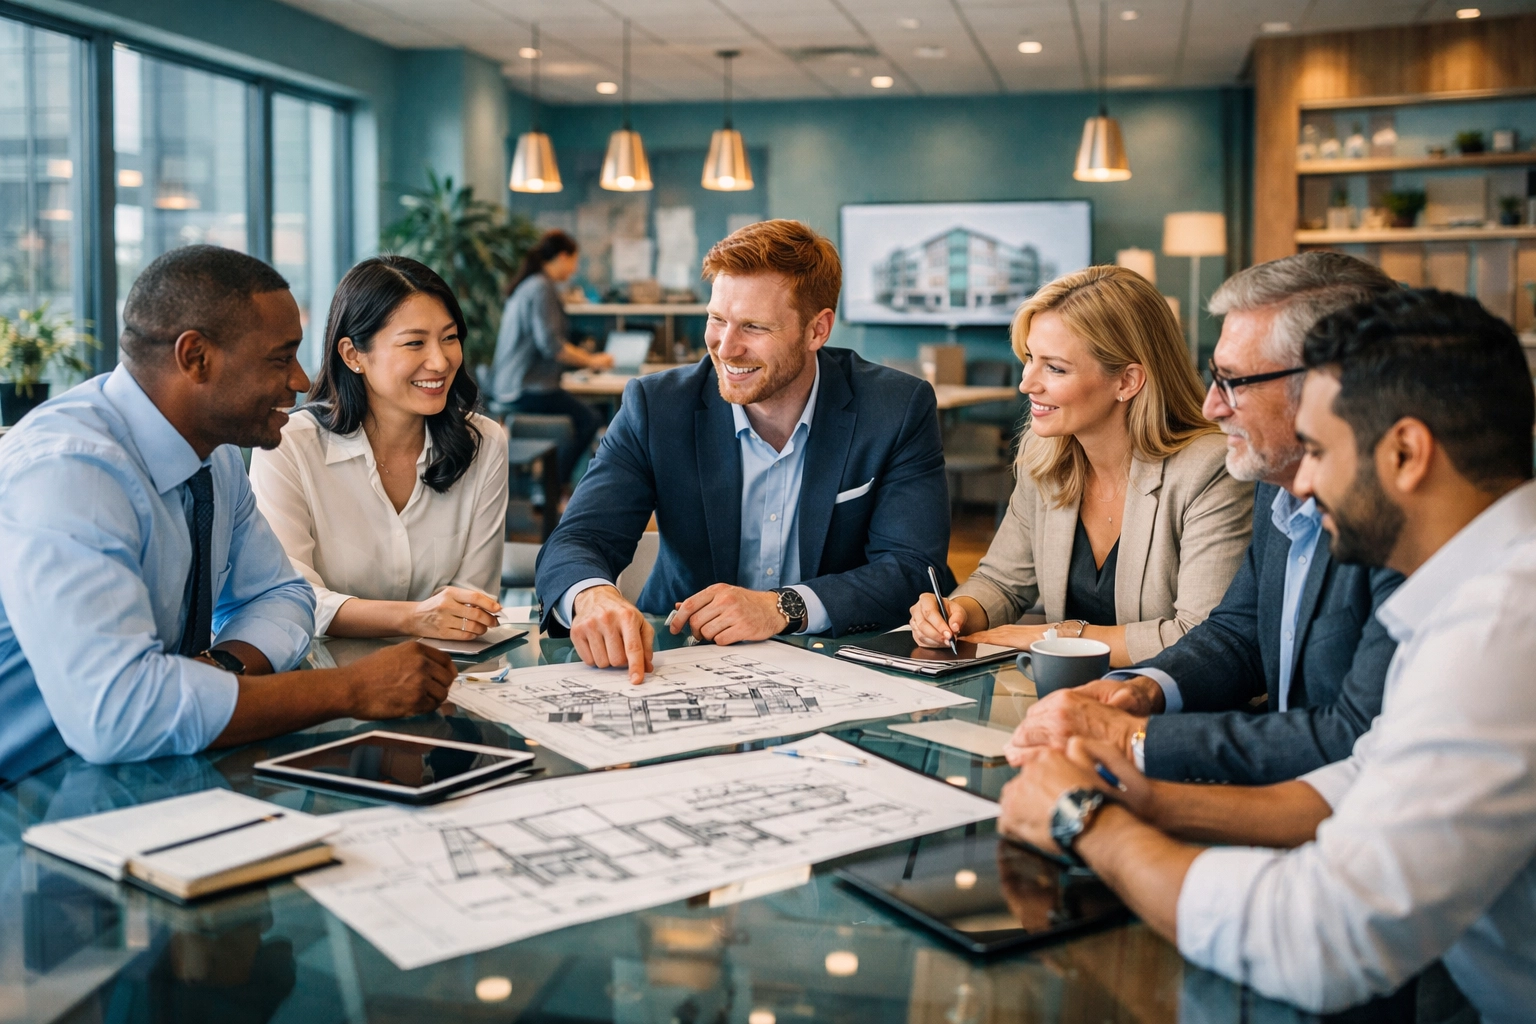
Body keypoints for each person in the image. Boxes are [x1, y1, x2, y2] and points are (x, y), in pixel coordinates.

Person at [997, 288, 1536, 1020]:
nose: (1304, 486)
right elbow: (1367, 774)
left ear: (1407, 453)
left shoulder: (1503, 629)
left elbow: (1318, 941)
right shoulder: (1481, 586)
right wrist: (1148, 795)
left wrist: (1086, 818)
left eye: (1317, 451)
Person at [0, 245, 456, 782]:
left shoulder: (213, 454)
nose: (302, 380)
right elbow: (118, 713)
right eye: (279, 358)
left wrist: (223, 670)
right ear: (196, 358)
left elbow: (283, 595)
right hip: (31, 788)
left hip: (150, 769)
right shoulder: (72, 471)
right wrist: (349, 689)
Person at [1008, 252, 1404, 784]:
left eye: (1234, 382)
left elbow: (1353, 737)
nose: (1213, 407)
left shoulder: (1403, 525)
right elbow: (1239, 634)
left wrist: (1132, 742)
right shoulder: (1274, 485)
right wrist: (1141, 691)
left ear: (1330, 385)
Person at [535, 219, 952, 683]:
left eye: (753, 326)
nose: (726, 347)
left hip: (835, 669)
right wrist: (592, 595)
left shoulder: (894, 408)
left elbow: (914, 570)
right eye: (717, 319)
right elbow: (578, 538)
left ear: (818, 330)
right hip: (678, 664)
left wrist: (780, 607)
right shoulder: (658, 407)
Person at [910, 265, 1251, 669]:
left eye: (1054, 368)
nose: (1027, 383)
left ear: (1127, 381)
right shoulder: (1045, 454)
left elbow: (1198, 636)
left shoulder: (1211, 471)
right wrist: (958, 612)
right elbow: (1001, 582)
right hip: (1068, 703)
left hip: (1172, 709)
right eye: (1030, 358)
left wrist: (1051, 636)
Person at [250, 257, 508, 640]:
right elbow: (288, 597)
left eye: (450, 338)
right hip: (319, 677)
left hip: (441, 673)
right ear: (354, 355)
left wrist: (437, 619)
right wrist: (414, 617)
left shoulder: (483, 443)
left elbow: (473, 602)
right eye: (415, 343)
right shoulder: (289, 444)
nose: (440, 361)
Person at [491, 230, 613, 487]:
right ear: (562, 257)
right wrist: (593, 362)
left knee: (587, 413)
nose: (574, 268)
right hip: (526, 388)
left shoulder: (531, 285)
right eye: (574, 261)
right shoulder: (541, 287)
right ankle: (553, 489)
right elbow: (552, 347)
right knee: (590, 419)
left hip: (512, 385)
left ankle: (555, 487)